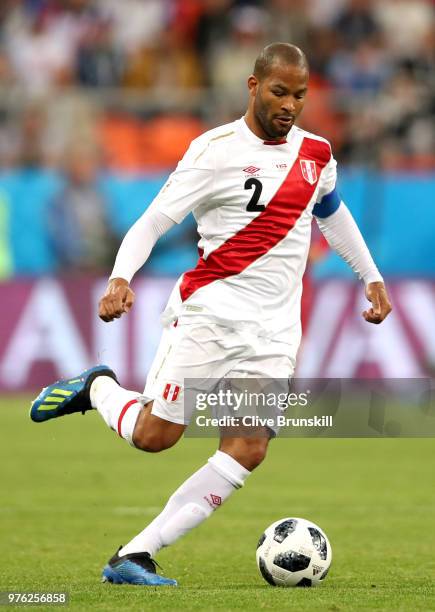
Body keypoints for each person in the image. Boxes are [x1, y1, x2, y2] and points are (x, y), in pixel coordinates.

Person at [30, 43, 392, 586]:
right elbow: (152, 222)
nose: (290, 104)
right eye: (278, 91)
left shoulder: (316, 153)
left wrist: (372, 277)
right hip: (209, 316)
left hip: (275, 329)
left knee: (248, 446)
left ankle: (135, 554)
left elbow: (332, 215)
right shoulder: (213, 151)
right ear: (253, 86)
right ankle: (98, 388)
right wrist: (120, 278)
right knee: (156, 436)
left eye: (299, 94)